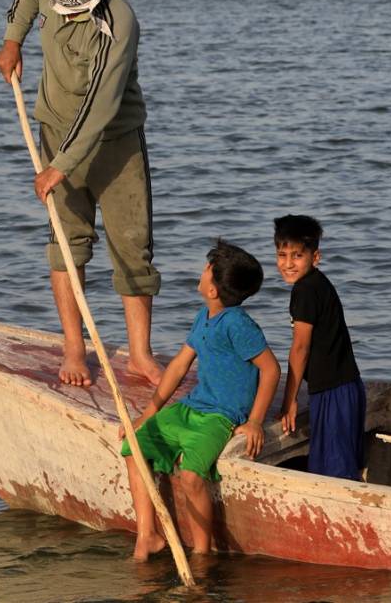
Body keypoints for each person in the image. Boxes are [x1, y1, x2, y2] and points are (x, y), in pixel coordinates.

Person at [0, 0, 162, 387]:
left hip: (117, 145)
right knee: (66, 247)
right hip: (54, 133)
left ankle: (140, 355)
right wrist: (13, 40)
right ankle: (74, 346)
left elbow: (102, 103)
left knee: (133, 249)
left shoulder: (119, 18)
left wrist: (59, 167)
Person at [120, 240, 280, 560]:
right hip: (193, 406)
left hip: (221, 416)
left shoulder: (237, 324)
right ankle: (147, 535)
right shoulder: (204, 316)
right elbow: (180, 364)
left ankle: (202, 554)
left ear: (213, 290)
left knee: (192, 475)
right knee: (135, 447)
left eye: (207, 269)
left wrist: (255, 421)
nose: (202, 271)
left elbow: (271, 369)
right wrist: (149, 412)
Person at [274, 215, 366, 481]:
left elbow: (300, 348)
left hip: (333, 393)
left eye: (297, 256)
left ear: (315, 257)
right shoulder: (317, 283)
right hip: (346, 386)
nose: (288, 264)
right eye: (282, 255)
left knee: (336, 474)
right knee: (341, 466)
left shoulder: (304, 291)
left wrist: (290, 399)